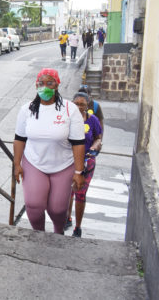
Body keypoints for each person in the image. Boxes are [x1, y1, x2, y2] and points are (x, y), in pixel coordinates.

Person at [12, 68, 86, 233]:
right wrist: (17, 164)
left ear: (57, 85)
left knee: (57, 209)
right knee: (34, 205)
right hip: (34, 163)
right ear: (36, 85)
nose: (44, 87)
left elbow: (78, 143)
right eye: (41, 83)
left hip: (63, 165)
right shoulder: (27, 109)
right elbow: (19, 139)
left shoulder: (70, 109)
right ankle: (40, 235)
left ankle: (58, 232)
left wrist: (79, 171)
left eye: (49, 83)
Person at [64, 91, 103, 237]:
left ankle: (78, 227)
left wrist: (95, 146)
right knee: (67, 192)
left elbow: (98, 138)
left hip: (86, 161)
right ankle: (66, 218)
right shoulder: (66, 118)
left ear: (87, 105)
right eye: (76, 104)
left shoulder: (92, 120)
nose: (79, 107)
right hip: (68, 160)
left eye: (83, 104)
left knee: (80, 193)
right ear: (72, 103)